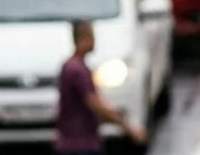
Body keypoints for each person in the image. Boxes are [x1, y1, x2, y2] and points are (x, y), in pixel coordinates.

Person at [55, 20, 147, 154]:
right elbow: (94, 103)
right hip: (81, 145)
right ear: (84, 37)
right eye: (92, 36)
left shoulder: (69, 66)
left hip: (70, 142)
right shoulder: (77, 70)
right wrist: (127, 127)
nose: (95, 41)